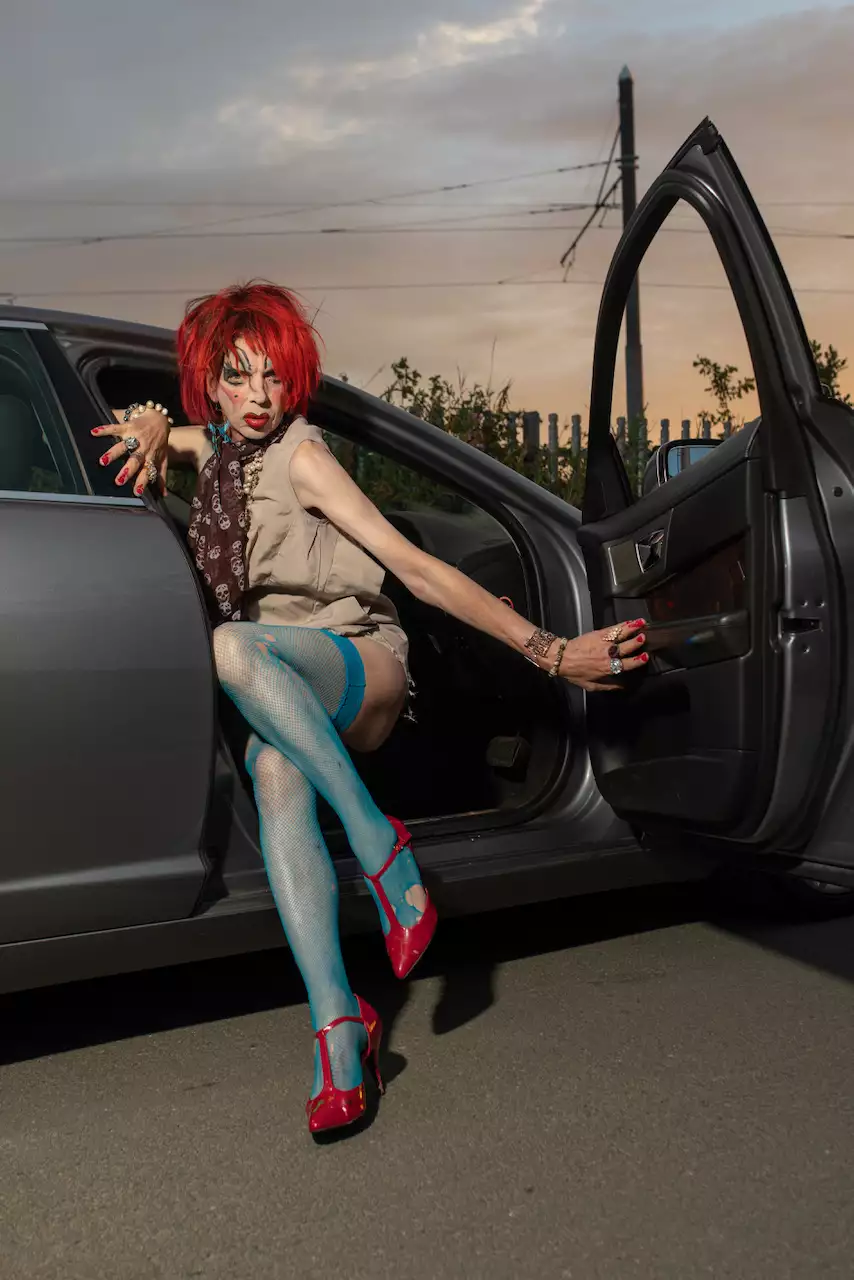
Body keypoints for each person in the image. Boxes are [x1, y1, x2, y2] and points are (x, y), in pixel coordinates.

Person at [92, 281, 648, 1136]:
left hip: (361, 662)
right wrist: (151, 427)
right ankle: (340, 1029)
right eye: (237, 378)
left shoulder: (303, 455)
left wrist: (550, 651)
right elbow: (171, 435)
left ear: (295, 379)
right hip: (283, 683)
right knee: (274, 771)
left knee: (232, 645)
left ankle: (378, 843)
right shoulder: (222, 447)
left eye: (274, 378)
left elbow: (419, 572)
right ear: (212, 381)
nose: (258, 398)